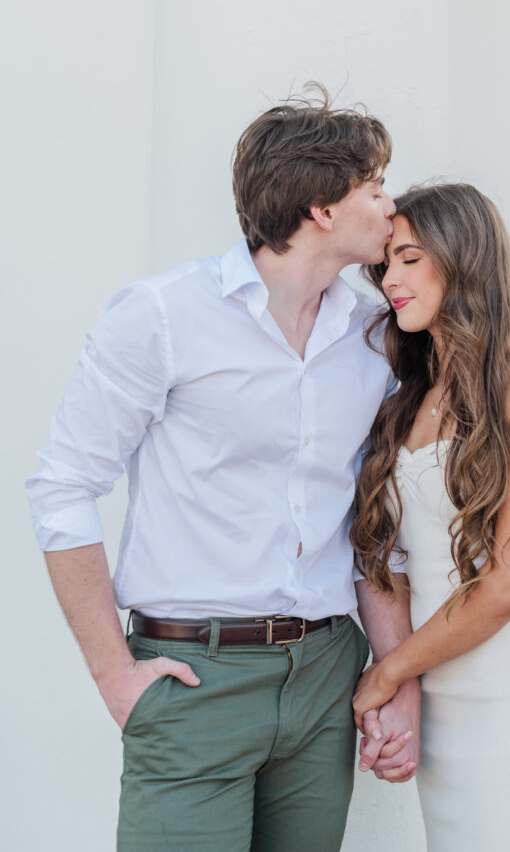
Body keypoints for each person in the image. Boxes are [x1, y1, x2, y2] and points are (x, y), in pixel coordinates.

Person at [26, 88, 420, 852]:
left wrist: (395, 680)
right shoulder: (162, 316)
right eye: (374, 187)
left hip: (326, 677)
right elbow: (63, 486)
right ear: (321, 208)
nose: (388, 203)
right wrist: (116, 676)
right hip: (193, 680)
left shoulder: (375, 335)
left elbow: (373, 523)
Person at [351, 182, 510, 851]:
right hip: (442, 716)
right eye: (385, 265)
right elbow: (386, 560)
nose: (390, 280)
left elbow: (507, 585)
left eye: (409, 258)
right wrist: (403, 681)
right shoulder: (402, 399)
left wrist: (386, 673)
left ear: (461, 256)